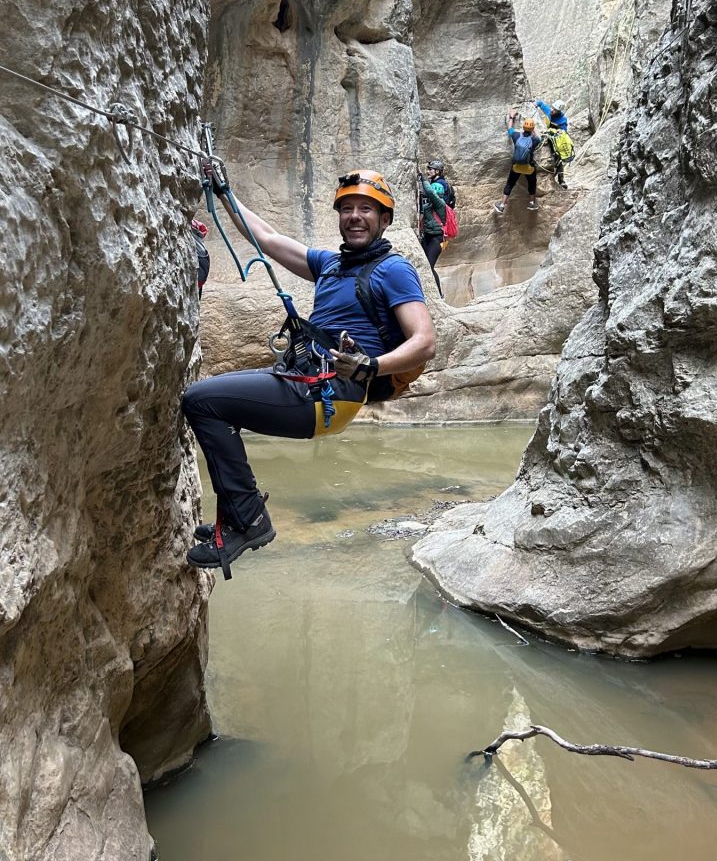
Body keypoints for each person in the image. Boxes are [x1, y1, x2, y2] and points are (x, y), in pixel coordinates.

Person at [182, 169, 436, 577]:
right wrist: (224, 191)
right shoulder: (330, 264)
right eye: (348, 209)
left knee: (202, 400)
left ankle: (248, 521)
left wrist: (372, 364)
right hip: (306, 383)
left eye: (367, 210)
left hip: (329, 394)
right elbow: (265, 237)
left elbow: (424, 340)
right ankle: (238, 516)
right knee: (212, 402)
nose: (355, 216)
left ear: (385, 220)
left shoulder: (394, 270)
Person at [494, 114, 542, 213]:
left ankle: (502, 205)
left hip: (516, 167)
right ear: (532, 128)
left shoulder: (516, 136)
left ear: (523, 127)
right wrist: (534, 129)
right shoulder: (535, 140)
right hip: (528, 168)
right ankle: (532, 203)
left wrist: (512, 117)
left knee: (510, 184)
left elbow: (510, 129)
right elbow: (539, 137)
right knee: (532, 183)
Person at [417, 167, 447, 295]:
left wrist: (422, 177)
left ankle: (439, 294)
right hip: (428, 236)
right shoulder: (430, 204)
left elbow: (429, 192)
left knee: (429, 266)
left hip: (437, 238)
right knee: (422, 264)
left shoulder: (440, 204)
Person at [534, 99, 571, 188]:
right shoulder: (549, 111)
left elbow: (563, 132)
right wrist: (535, 104)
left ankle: (561, 180)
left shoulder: (562, 120)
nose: (551, 110)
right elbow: (540, 103)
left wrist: (556, 132)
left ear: (558, 112)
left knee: (558, 160)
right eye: (552, 108)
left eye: (554, 110)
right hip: (547, 137)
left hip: (556, 141)